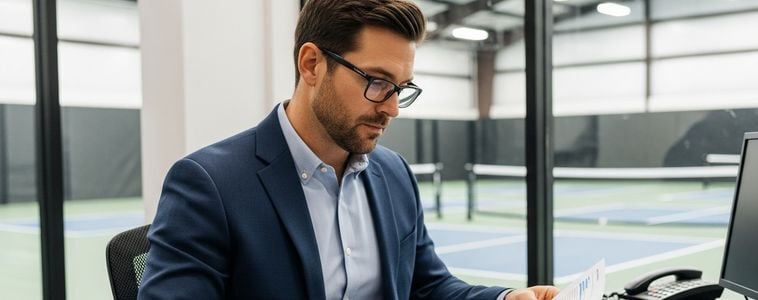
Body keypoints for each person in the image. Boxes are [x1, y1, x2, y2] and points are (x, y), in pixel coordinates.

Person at [138, 0, 559, 299]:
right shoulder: (209, 184)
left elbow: (427, 287)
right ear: (311, 64)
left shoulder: (394, 174)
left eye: (401, 88)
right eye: (376, 82)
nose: (392, 107)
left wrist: (505, 299)